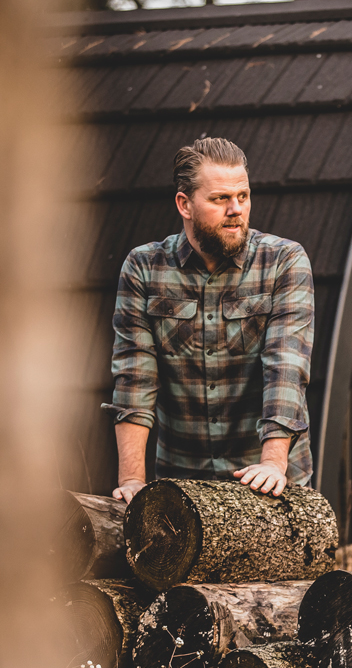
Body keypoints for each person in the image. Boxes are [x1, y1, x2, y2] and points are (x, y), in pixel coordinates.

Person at [102, 137, 314, 503]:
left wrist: (273, 464)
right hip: (183, 482)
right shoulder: (144, 268)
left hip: (270, 483)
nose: (236, 210)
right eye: (220, 199)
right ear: (184, 204)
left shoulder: (284, 261)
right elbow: (135, 379)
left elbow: (286, 368)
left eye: (243, 196)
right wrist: (133, 480)